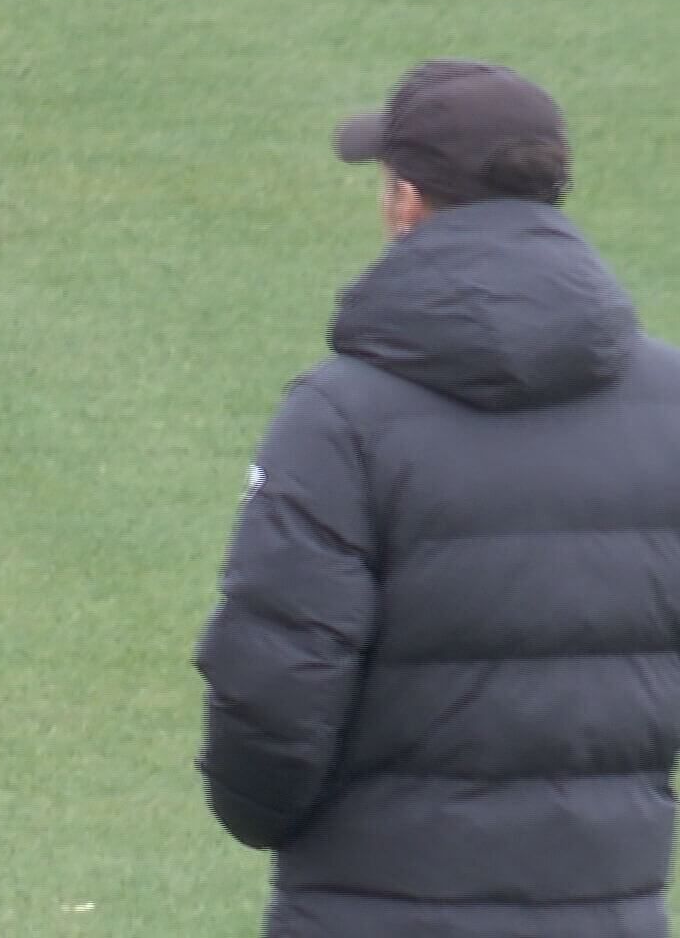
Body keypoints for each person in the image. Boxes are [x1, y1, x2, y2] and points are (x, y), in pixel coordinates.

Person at [195, 59, 680, 937]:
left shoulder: (340, 420)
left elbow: (270, 693)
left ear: (408, 202)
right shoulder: (672, 403)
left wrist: (261, 814)